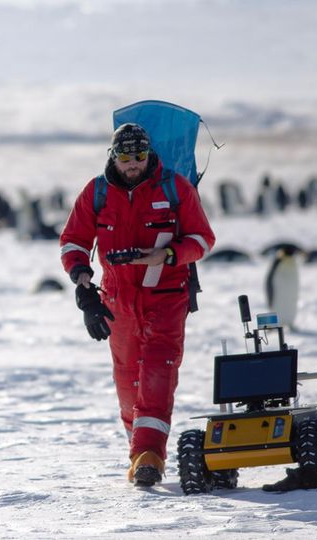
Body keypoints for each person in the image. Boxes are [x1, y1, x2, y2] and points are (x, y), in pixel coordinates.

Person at [59, 123, 215, 486]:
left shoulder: (175, 188)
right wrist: (84, 287)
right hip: (117, 300)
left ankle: (150, 456)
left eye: (139, 156)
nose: (133, 164)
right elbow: (74, 241)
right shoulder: (96, 193)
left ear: (149, 154)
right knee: (128, 382)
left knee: (158, 372)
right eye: (126, 157)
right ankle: (139, 447)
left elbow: (203, 239)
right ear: (113, 156)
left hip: (166, 297)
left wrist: (169, 254)